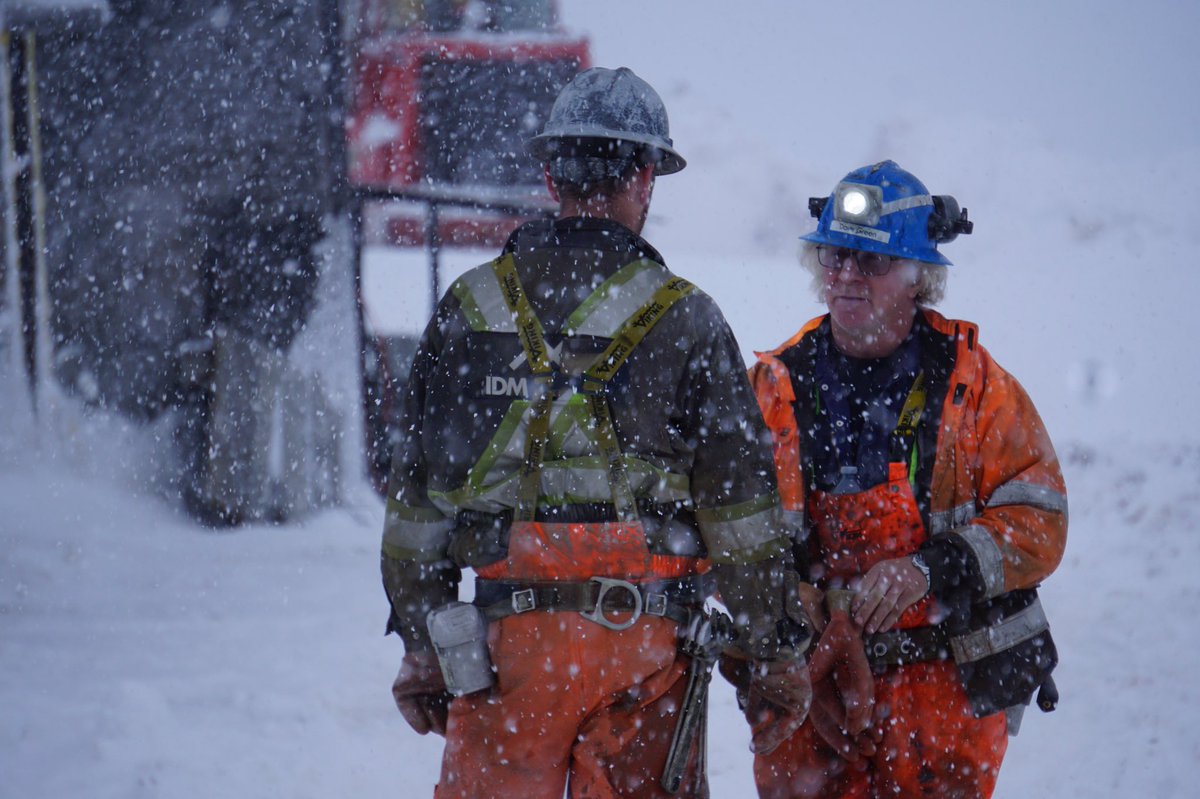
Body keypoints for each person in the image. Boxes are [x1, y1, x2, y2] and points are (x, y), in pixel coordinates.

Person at [380, 66, 814, 799]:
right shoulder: (687, 318)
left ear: (552, 176)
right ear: (644, 177)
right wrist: (771, 652)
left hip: (503, 658)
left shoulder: (469, 306)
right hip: (642, 652)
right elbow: (740, 514)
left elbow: (416, 504)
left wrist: (423, 642)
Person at [744, 160, 1067, 798]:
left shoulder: (975, 388)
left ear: (920, 276)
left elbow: (1041, 518)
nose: (846, 275)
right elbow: (724, 531)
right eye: (835, 255)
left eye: (871, 260)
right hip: (814, 677)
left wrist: (930, 569)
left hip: (945, 686)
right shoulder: (774, 386)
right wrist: (799, 605)